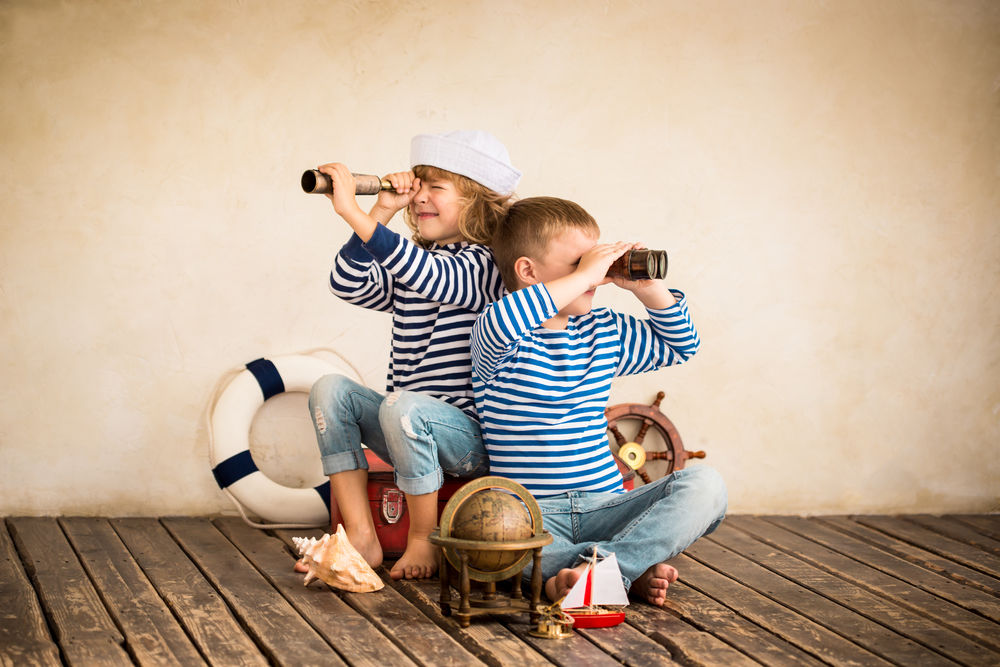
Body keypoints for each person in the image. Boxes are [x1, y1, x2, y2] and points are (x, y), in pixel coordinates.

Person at [470, 196, 727, 606]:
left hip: (606, 506)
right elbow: (512, 316)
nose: (596, 275)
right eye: (580, 264)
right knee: (479, 538)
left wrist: (647, 287)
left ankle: (600, 568)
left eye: (596, 262)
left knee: (708, 486)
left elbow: (683, 345)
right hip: (530, 516)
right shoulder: (498, 329)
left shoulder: (603, 330)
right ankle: (624, 567)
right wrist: (588, 273)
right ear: (527, 271)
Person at [306, 130, 521, 580]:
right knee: (330, 391)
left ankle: (423, 538)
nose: (419, 196)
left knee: (404, 406)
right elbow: (347, 283)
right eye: (417, 185)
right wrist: (381, 210)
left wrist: (352, 212)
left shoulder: (485, 266)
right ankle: (361, 537)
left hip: (467, 442)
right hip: (402, 426)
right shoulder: (416, 261)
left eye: (435, 187)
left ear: (479, 203)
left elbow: (430, 275)